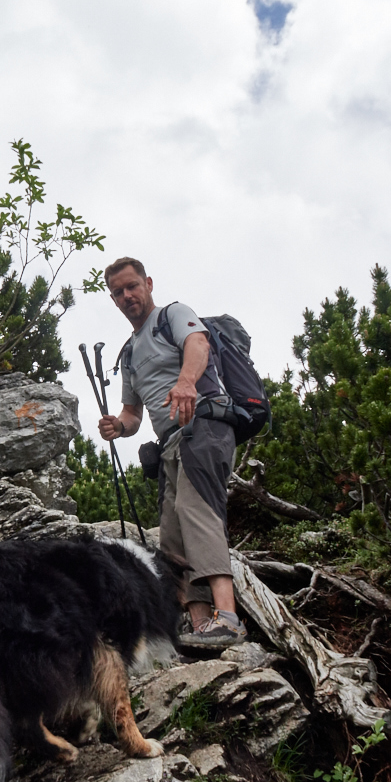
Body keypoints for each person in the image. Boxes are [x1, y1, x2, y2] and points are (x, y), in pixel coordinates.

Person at [97, 256, 246, 642]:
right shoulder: (128, 353)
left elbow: (199, 343)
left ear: (148, 283)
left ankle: (227, 616)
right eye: (118, 292)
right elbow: (133, 414)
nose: (127, 295)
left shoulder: (173, 315)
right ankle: (199, 625)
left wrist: (185, 382)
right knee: (173, 533)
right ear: (113, 299)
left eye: (132, 286)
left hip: (205, 426)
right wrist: (119, 426)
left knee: (196, 510)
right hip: (170, 445)